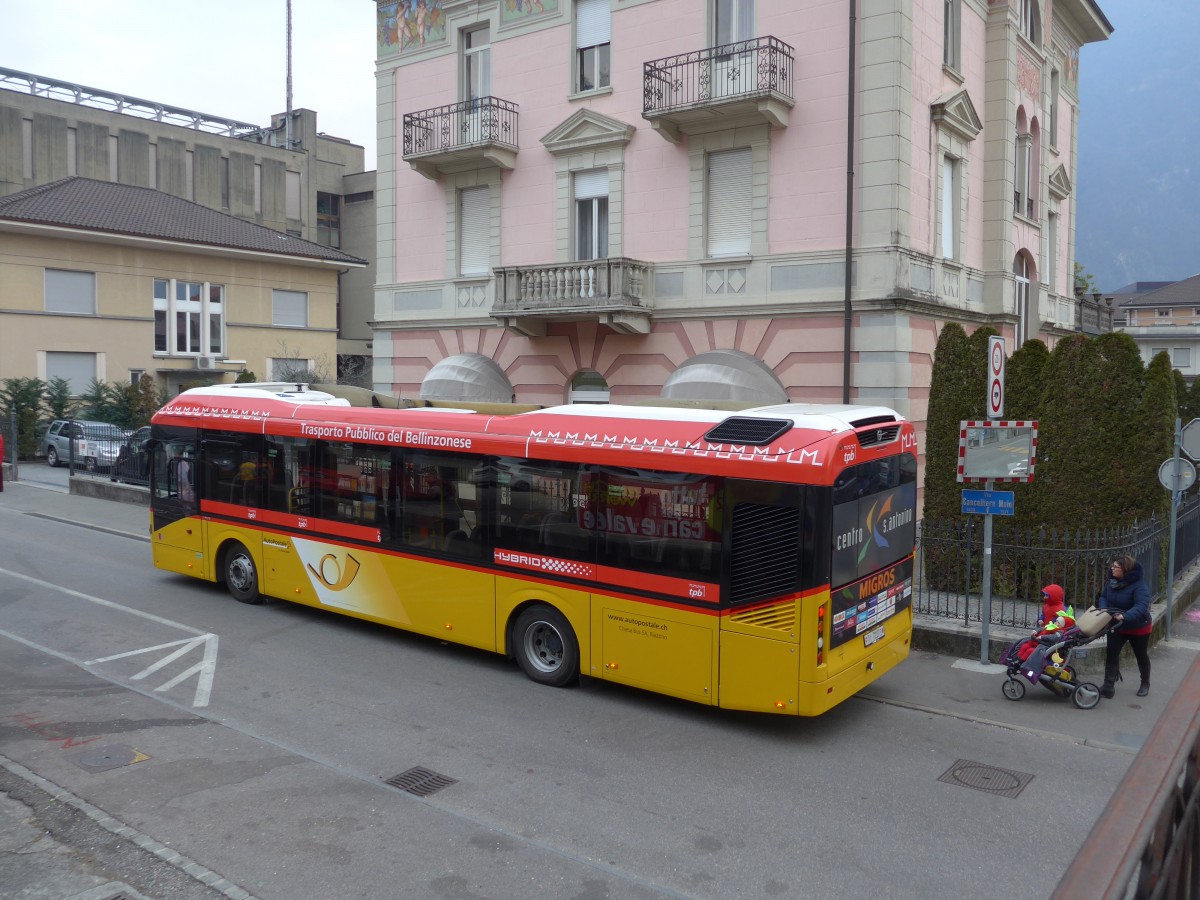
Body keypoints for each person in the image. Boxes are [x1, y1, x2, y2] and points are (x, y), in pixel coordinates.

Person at [1096, 555, 1152, 698]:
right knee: (1111, 653)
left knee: (1141, 655)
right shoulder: (1112, 582)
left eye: (1116, 567)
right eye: (1112, 566)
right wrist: (1103, 608)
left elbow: (1141, 606)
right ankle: (1108, 687)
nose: (1112, 569)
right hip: (1116, 625)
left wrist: (1125, 616)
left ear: (1125, 570)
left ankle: (1145, 683)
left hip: (1138, 627)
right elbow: (1103, 597)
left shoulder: (1140, 586)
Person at [1016, 584, 1074, 663]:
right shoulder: (1046, 606)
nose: (1044, 598)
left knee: (1031, 649)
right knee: (1024, 645)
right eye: (1045, 595)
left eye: (1047, 596)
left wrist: (1053, 625)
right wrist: (1041, 619)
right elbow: (1043, 615)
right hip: (1045, 629)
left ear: (1053, 596)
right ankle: (1018, 659)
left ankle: (1022, 661)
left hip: (1051, 632)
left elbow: (1062, 622)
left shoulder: (1061, 609)